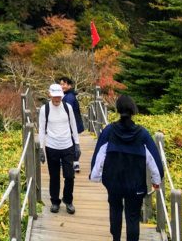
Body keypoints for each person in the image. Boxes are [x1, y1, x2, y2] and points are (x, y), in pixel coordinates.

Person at [89, 95, 163, 241]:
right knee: (133, 216)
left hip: (113, 181)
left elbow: (99, 155)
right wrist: (157, 180)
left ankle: (115, 238)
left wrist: (95, 176)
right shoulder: (142, 134)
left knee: (115, 210)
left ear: (118, 110)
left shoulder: (109, 131)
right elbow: (154, 159)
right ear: (133, 110)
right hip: (135, 183)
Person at [38, 83, 80, 215]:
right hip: (52, 146)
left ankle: (68, 200)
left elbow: (73, 126)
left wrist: (77, 144)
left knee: (69, 175)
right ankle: (55, 202)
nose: (57, 99)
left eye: (59, 97)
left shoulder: (67, 108)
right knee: (54, 176)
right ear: (50, 95)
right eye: (54, 97)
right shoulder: (45, 109)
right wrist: (41, 148)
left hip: (67, 145)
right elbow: (41, 129)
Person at [58, 76, 85, 171]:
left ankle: (74, 163)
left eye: (64, 84)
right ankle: (74, 162)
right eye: (60, 84)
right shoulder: (68, 95)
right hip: (72, 123)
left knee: (71, 142)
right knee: (72, 141)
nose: (62, 86)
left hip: (71, 124)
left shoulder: (69, 97)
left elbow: (67, 111)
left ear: (69, 85)